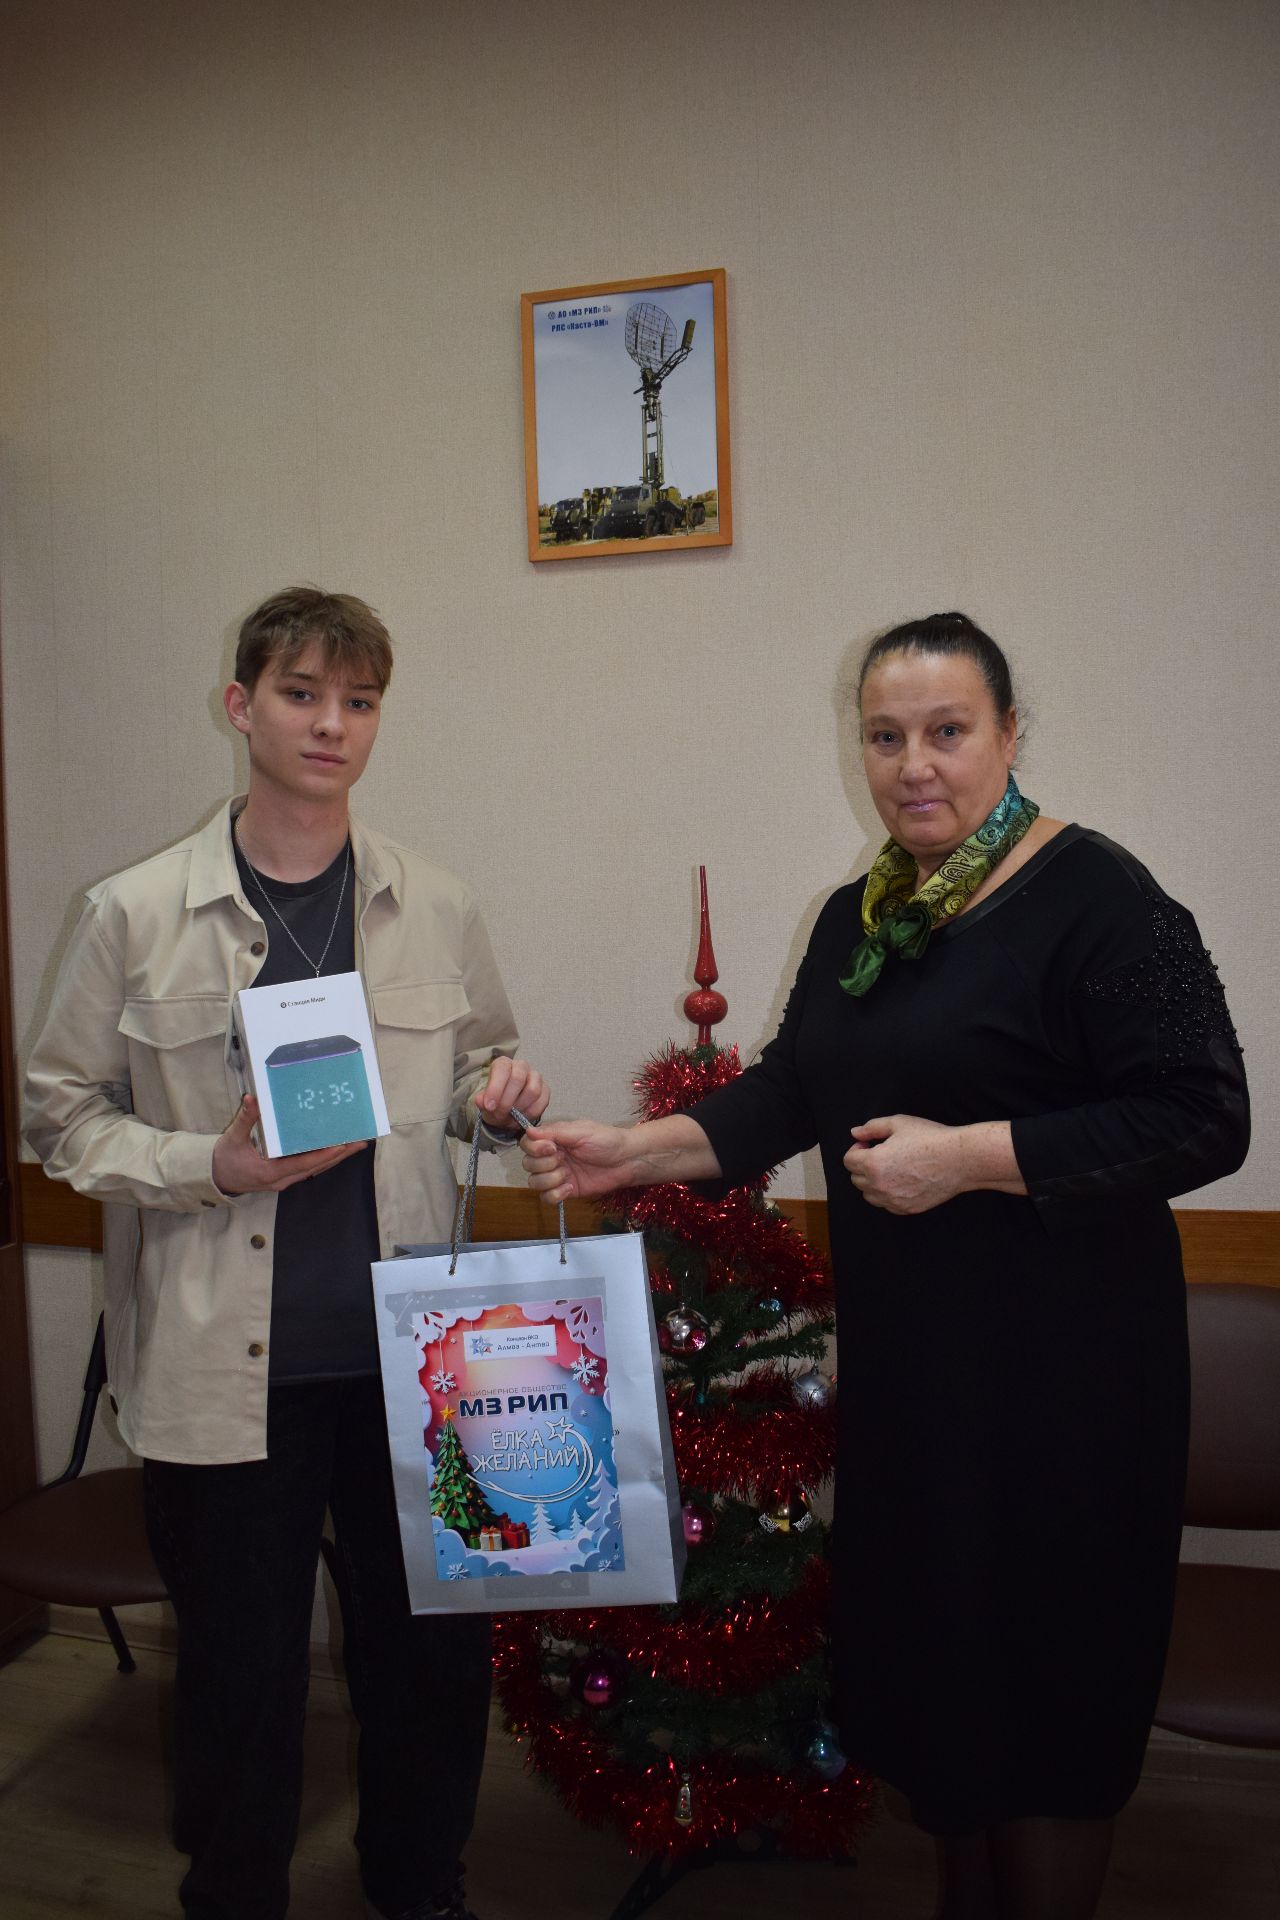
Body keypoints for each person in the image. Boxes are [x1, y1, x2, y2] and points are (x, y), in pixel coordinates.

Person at [521, 612, 1249, 1920]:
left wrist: (969, 1158)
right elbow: (791, 1089)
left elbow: (1204, 1115)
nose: (915, 765)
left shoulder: (1100, 898)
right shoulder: (868, 913)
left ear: (1010, 735)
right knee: (950, 1700)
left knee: (1048, 1709)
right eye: (886, 735)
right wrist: (632, 1150)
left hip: (1068, 1397)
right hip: (922, 1393)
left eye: (947, 731)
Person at [24, 587, 547, 1920]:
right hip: (224, 1373)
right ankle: (235, 1893)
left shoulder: (434, 901)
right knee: (241, 1680)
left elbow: (480, 1060)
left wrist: (497, 1094)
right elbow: (60, 1119)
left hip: (416, 1366)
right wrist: (212, 1164)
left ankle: (418, 1884)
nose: (332, 724)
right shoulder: (134, 910)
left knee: (431, 1664)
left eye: (358, 701)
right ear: (239, 704)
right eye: (302, 694)